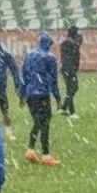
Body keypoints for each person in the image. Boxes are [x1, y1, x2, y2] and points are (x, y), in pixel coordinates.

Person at [20, 31, 62, 165]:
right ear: (48, 44)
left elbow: (24, 77)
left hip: (30, 93)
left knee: (37, 121)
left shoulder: (28, 55)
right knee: (44, 123)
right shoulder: (49, 57)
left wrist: (22, 95)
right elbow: (54, 80)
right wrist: (57, 98)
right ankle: (45, 154)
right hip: (42, 94)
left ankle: (31, 149)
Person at [59, 25, 82, 118]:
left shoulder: (68, 43)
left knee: (72, 89)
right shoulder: (70, 43)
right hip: (69, 69)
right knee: (72, 89)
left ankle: (63, 108)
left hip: (67, 69)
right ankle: (72, 112)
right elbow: (71, 58)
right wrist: (71, 70)